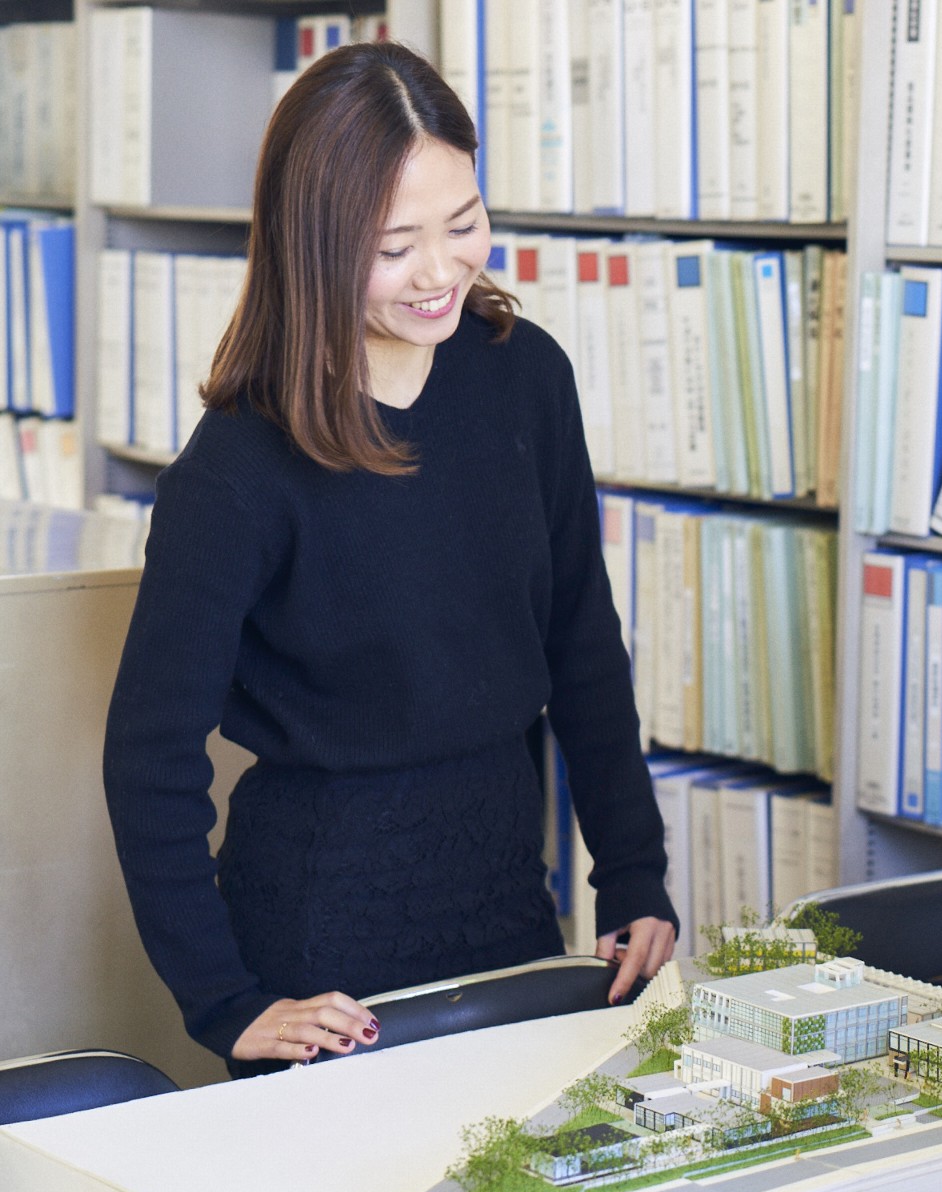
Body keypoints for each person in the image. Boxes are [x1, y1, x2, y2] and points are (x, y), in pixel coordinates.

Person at [103, 41, 676, 1075]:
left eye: (462, 225)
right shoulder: (240, 465)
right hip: (321, 933)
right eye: (394, 245)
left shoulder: (525, 379)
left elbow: (582, 640)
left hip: (506, 896)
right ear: (313, 245)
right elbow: (149, 755)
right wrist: (224, 999)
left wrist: (632, 870)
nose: (442, 270)